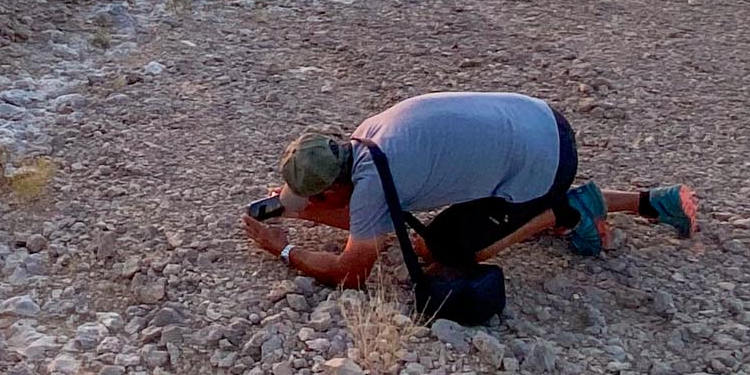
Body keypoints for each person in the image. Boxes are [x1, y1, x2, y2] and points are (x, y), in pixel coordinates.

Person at [242, 91, 698, 289]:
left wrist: (283, 251)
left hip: (546, 166)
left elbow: (352, 271)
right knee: (433, 235)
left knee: (439, 250)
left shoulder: (374, 185)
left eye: (309, 199)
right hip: (541, 124)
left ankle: (566, 209)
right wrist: (302, 213)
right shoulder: (367, 138)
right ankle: (652, 202)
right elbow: (373, 224)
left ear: (328, 191)